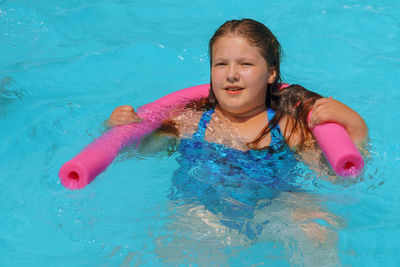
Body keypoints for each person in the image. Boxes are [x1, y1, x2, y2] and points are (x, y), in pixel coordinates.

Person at [107, 19, 367, 265]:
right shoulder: (188, 121)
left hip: (272, 208)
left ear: (271, 73)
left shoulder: (286, 126)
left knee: (319, 227)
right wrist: (122, 130)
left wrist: (356, 128)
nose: (231, 74)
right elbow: (137, 153)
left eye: (245, 64)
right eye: (221, 64)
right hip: (201, 211)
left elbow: (339, 177)